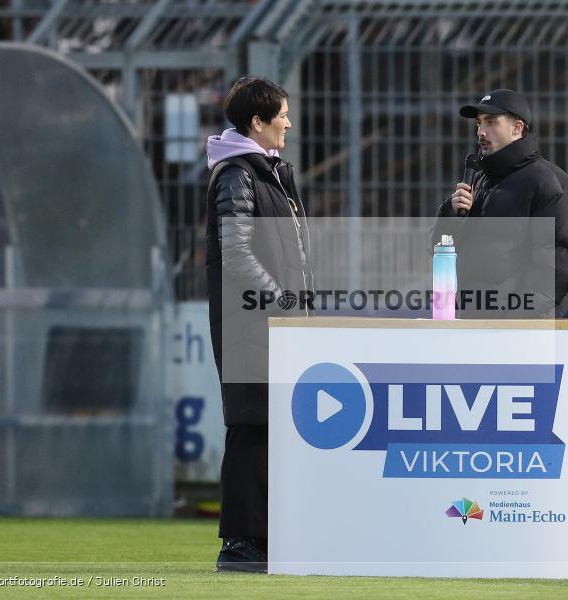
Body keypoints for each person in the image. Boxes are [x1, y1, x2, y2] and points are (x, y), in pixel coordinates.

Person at [205, 76, 313, 572]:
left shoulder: (266, 172)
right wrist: (283, 301)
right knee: (251, 424)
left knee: (268, 425)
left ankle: (264, 538)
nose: (288, 123)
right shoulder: (238, 175)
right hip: (251, 321)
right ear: (258, 121)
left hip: (270, 321)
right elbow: (237, 253)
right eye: (282, 115)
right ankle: (240, 543)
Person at [432, 89, 568, 317]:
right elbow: (438, 250)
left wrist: (515, 320)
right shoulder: (479, 181)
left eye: (491, 122)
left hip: (516, 330)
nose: (481, 132)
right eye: (479, 123)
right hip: (472, 322)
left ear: (517, 128)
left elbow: (556, 265)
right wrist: (451, 214)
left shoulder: (549, 182)